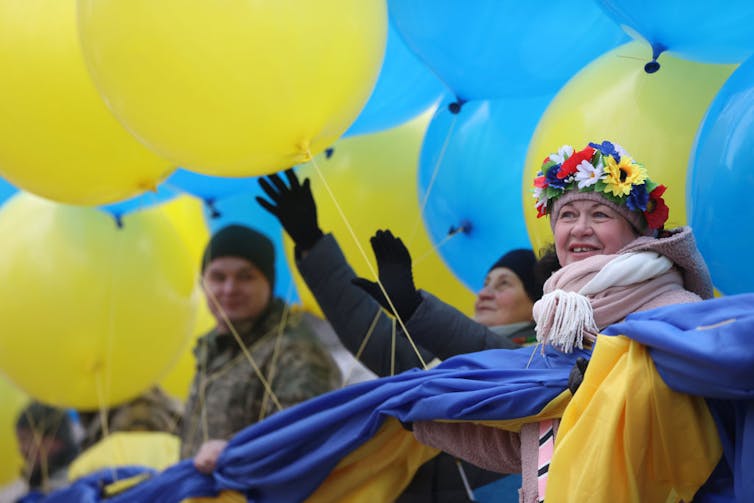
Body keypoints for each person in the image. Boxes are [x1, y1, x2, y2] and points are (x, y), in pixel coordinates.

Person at [356, 140, 714, 503]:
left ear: (636, 233)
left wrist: (608, 395)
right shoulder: (559, 325)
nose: (580, 229)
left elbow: (698, 430)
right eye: (568, 215)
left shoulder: (673, 309)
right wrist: (424, 420)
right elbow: (524, 445)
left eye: (601, 215)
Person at [257, 169, 545, 502]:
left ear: (536, 304)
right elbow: (367, 328)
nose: (484, 294)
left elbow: (493, 360)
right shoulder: (438, 362)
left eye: (504, 284)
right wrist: (312, 243)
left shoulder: (540, 365)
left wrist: (413, 307)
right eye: (485, 283)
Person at [179, 224, 341, 473]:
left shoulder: (295, 351)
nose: (229, 289)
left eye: (246, 276)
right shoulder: (212, 349)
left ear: (268, 281)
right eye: (218, 277)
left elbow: (302, 444)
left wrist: (232, 450)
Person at [13, 402, 81, 497]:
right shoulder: (42, 487)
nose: (21, 449)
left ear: (53, 439)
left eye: (25, 439)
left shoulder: (76, 486)